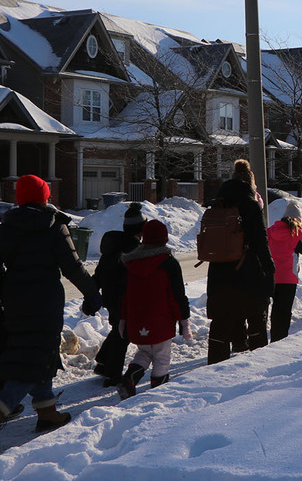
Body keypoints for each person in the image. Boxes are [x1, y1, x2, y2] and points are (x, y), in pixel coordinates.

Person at [0, 175, 101, 431]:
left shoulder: (7, 226)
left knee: (37, 352)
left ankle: (47, 412)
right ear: (45, 196)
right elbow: (74, 267)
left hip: (14, 300)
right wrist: (92, 294)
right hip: (45, 301)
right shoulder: (54, 225)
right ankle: (3, 406)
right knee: (34, 358)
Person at [206, 159, 275, 365]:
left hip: (219, 275)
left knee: (219, 329)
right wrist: (269, 270)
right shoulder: (250, 206)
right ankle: (255, 373)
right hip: (248, 275)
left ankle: (211, 375)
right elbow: (261, 242)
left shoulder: (217, 204)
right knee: (256, 327)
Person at [117, 220, 191, 399]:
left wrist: (123, 318)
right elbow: (177, 296)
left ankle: (129, 380)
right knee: (161, 357)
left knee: (144, 352)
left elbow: (126, 294)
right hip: (161, 321)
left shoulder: (131, 263)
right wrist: (184, 320)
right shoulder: (168, 263)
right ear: (164, 239)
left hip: (137, 321)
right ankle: (157, 394)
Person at [92, 202, 145, 387]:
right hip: (124, 300)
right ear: (140, 230)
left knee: (118, 330)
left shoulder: (113, 246)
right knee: (124, 335)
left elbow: (99, 273)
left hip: (111, 297)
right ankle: (112, 375)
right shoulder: (133, 250)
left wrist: (92, 293)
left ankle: (104, 361)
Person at [267, 201, 302, 341]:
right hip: (288, 277)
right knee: (284, 310)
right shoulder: (298, 233)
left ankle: (272, 333)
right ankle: (279, 338)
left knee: (273, 309)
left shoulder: (270, 231)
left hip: (270, 275)